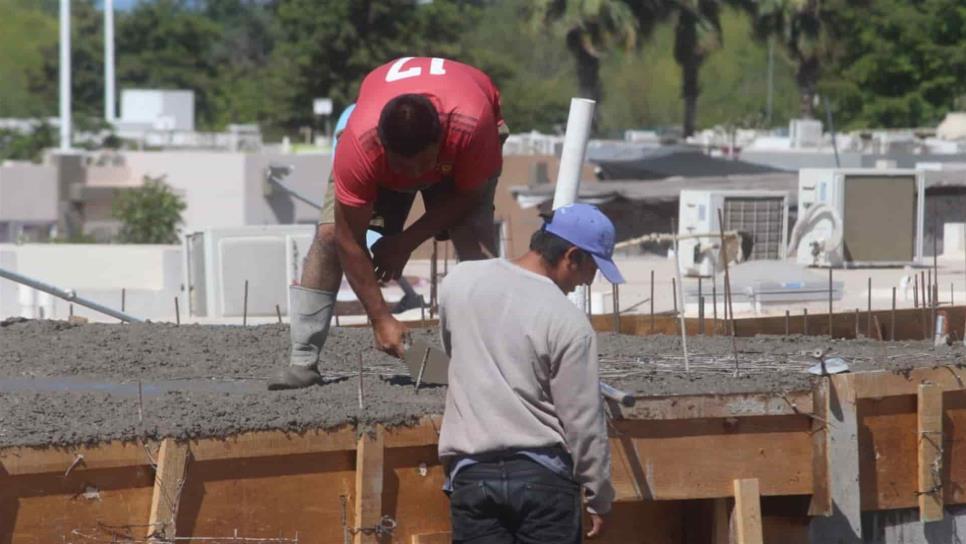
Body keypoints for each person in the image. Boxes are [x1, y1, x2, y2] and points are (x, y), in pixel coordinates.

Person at [269, 57, 505, 389]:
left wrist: (404, 242)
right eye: (401, 165)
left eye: (422, 164)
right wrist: (381, 319)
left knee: (473, 234)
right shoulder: (359, 145)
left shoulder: (471, 126)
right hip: (382, 147)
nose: (412, 176)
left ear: (441, 142)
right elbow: (347, 237)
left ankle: (490, 363)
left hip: (469, 132)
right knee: (327, 236)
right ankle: (303, 361)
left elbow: (467, 196)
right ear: (382, 144)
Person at [437, 203, 621, 543]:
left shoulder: (460, 282)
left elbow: (454, 353)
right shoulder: (567, 321)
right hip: (544, 482)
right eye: (591, 268)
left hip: (472, 476)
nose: (586, 282)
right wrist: (599, 495)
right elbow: (582, 419)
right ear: (572, 256)